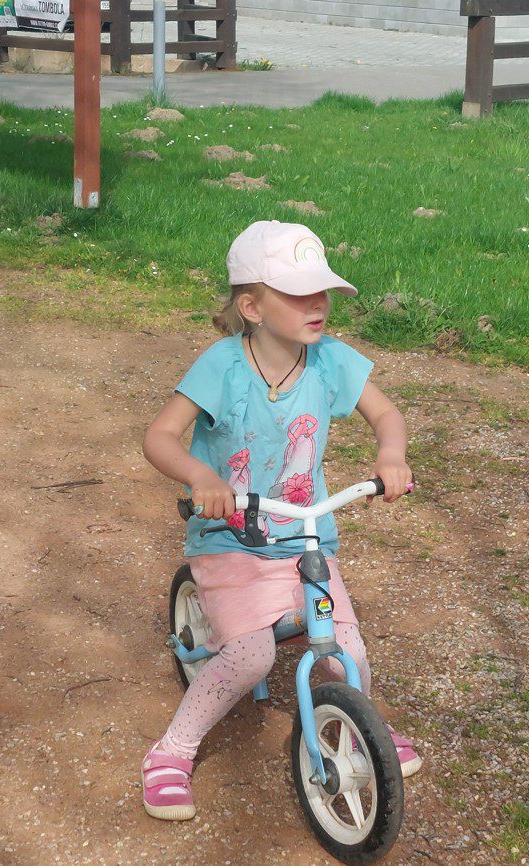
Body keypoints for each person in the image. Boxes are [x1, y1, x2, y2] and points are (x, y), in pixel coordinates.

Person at [140, 220, 420, 821]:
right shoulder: (222, 366)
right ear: (252, 307)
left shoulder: (329, 361)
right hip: (230, 538)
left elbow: (386, 414)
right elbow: (159, 436)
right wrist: (201, 477)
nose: (318, 304)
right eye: (298, 293)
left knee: (346, 648)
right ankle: (172, 750)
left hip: (303, 534)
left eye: (323, 292)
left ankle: (359, 726)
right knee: (251, 657)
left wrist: (391, 455)